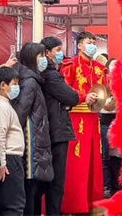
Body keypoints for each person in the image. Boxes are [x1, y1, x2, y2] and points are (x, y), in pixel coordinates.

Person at [59, 31, 108, 214]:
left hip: (94, 120)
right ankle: (73, 204)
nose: (92, 44)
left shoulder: (99, 68)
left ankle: (92, 204)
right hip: (75, 119)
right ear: (79, 45)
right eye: (89, 41)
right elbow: (63, 93)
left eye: (94, 41)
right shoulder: (70, 65)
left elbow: (105, 92)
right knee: (76, 163)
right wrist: (82, 98)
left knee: (94, 161)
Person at [39, 36, 80, 215]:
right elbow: (72, 97)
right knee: (56, 181)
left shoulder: (44, 73)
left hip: (48, 129)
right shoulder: (51, 75)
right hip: (56, 131)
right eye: (57, 50)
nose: (60, 54)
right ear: (46, 53)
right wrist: (68, 101)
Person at [14, 42, 54, 216]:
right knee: (30, 190)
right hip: (32, 144)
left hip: (38, 141)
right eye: (41, 56)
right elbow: (20, 114)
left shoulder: (33, 79)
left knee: (35, 191)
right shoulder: (30, 82)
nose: (44, 60)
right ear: (32, 58)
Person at [0, 66, 25, 216]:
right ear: (3, 85)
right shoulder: (1, 106)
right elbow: (0, 137)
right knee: (14, 205)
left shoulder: (3, 103)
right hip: (9, 160)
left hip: (10, 158)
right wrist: (1, 163)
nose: (17, 88)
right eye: (14, 83)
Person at [100, 58, 121, 197]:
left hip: (119, 122)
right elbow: (107, 105)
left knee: (117, 158)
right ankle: (107, 185)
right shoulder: (102, 84)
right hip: (104, 122)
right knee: (105, 157)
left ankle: (116, 186)